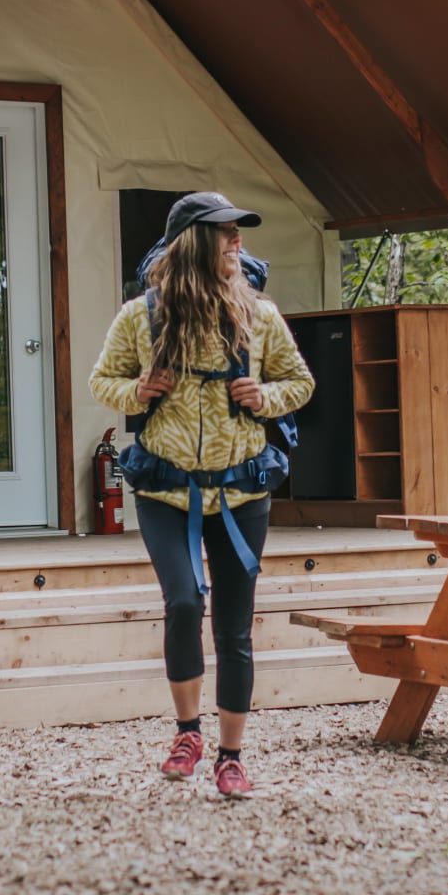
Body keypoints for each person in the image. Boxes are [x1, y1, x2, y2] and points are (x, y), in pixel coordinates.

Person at [89, 192, 314, 799]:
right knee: (185, 604)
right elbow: (101, 381)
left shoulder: (259, 316)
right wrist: (140, 388)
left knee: (234, 628)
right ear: (194, 241)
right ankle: (187, 733)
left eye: (239, 235)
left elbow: (301, 382)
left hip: (242, 492)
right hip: (168, 489)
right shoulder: (142, 317)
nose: (238, 244)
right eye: (227, 234)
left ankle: (231, 757)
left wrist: (262, 398)